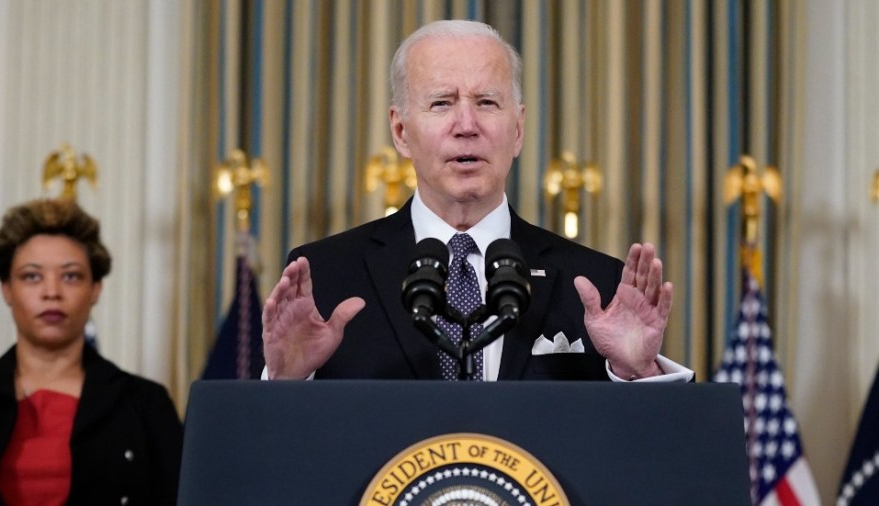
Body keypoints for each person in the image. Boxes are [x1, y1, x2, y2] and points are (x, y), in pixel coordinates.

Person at [261, 19, 693, 383]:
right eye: (441, 103)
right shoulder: (328, 277)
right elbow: (282, 455)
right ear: (400, 131)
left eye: (487, 102)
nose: (466, 125)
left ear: (518, 129)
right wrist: (286, 381)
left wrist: (637, 371)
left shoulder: (596, 284)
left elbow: (641, 460)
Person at [0, 198, 183, 505]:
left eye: (71, 275)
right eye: (32, 276)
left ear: (95, 289)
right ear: (7, 289)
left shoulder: (144, 404)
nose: (52, 292)